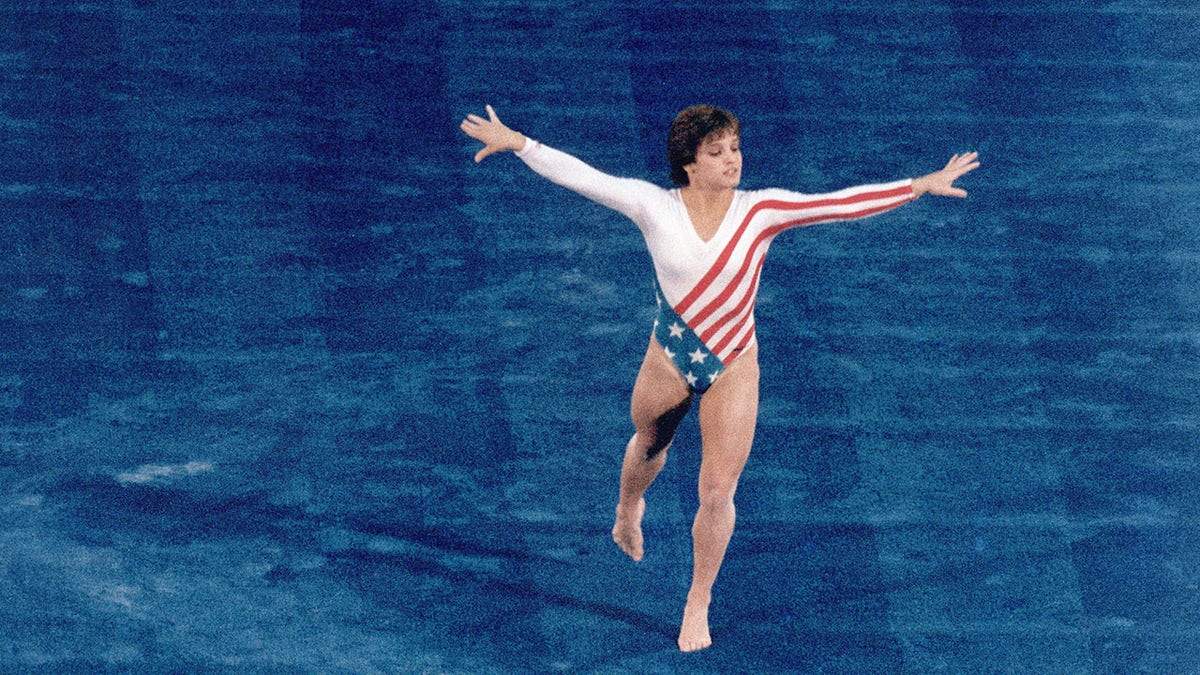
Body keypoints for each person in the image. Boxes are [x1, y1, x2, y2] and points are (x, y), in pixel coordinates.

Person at [460, 104, 979, 652]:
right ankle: (627, 508)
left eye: (734, 148)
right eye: (716, 152)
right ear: (688, 162)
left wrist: (920, 184)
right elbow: (587, 178)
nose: (732, 160)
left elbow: (839, 205)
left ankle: (698, 599)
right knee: (649, 442)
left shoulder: (762, 211)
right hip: (668, 357)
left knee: (717, 490)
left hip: (733, 363)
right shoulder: (652, 206)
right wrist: (520, 143)